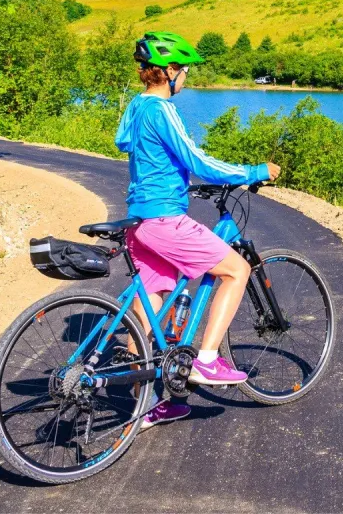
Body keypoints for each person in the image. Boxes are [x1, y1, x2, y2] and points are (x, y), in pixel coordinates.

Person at [114, 32, 280, 429]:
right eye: (184, 71)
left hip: (139, 220)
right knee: (236, 270)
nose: (185, 78)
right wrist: (253, 171)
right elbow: (197, 160)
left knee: (153, 301)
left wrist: (166, 170)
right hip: (165, 219)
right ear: (169, 72)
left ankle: (148, 403)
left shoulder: (137, 106)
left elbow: (123, 142)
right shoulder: (162, 108)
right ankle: (206, 360)